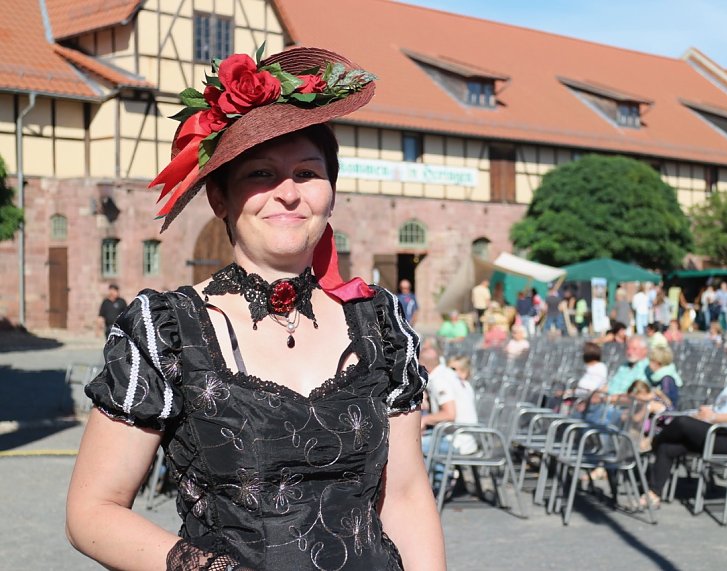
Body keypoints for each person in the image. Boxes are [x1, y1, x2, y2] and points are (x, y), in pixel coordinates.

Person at [66, 46, 444, 570]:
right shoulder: (165, 330)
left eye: (308, 174)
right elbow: (92, 511)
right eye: (261, 174)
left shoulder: (380, 323)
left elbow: (403, 496)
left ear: (331, 193)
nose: (288, 194)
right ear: (220, 199)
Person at [644, 345, 727, 507]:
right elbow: (720, 407)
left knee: (682, 422)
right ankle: (654, 493)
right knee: (668, 447)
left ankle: (651, 442)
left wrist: (713, 417)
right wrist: (704, 413)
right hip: (714, 432)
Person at [420, 348, 478, 490]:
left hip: (458, 439)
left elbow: (449, 414)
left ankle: (442, 483)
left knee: (413, 446)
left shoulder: (439, 380)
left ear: (423, 365)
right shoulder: (449, 374)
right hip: (467, 435)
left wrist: (425, 420)